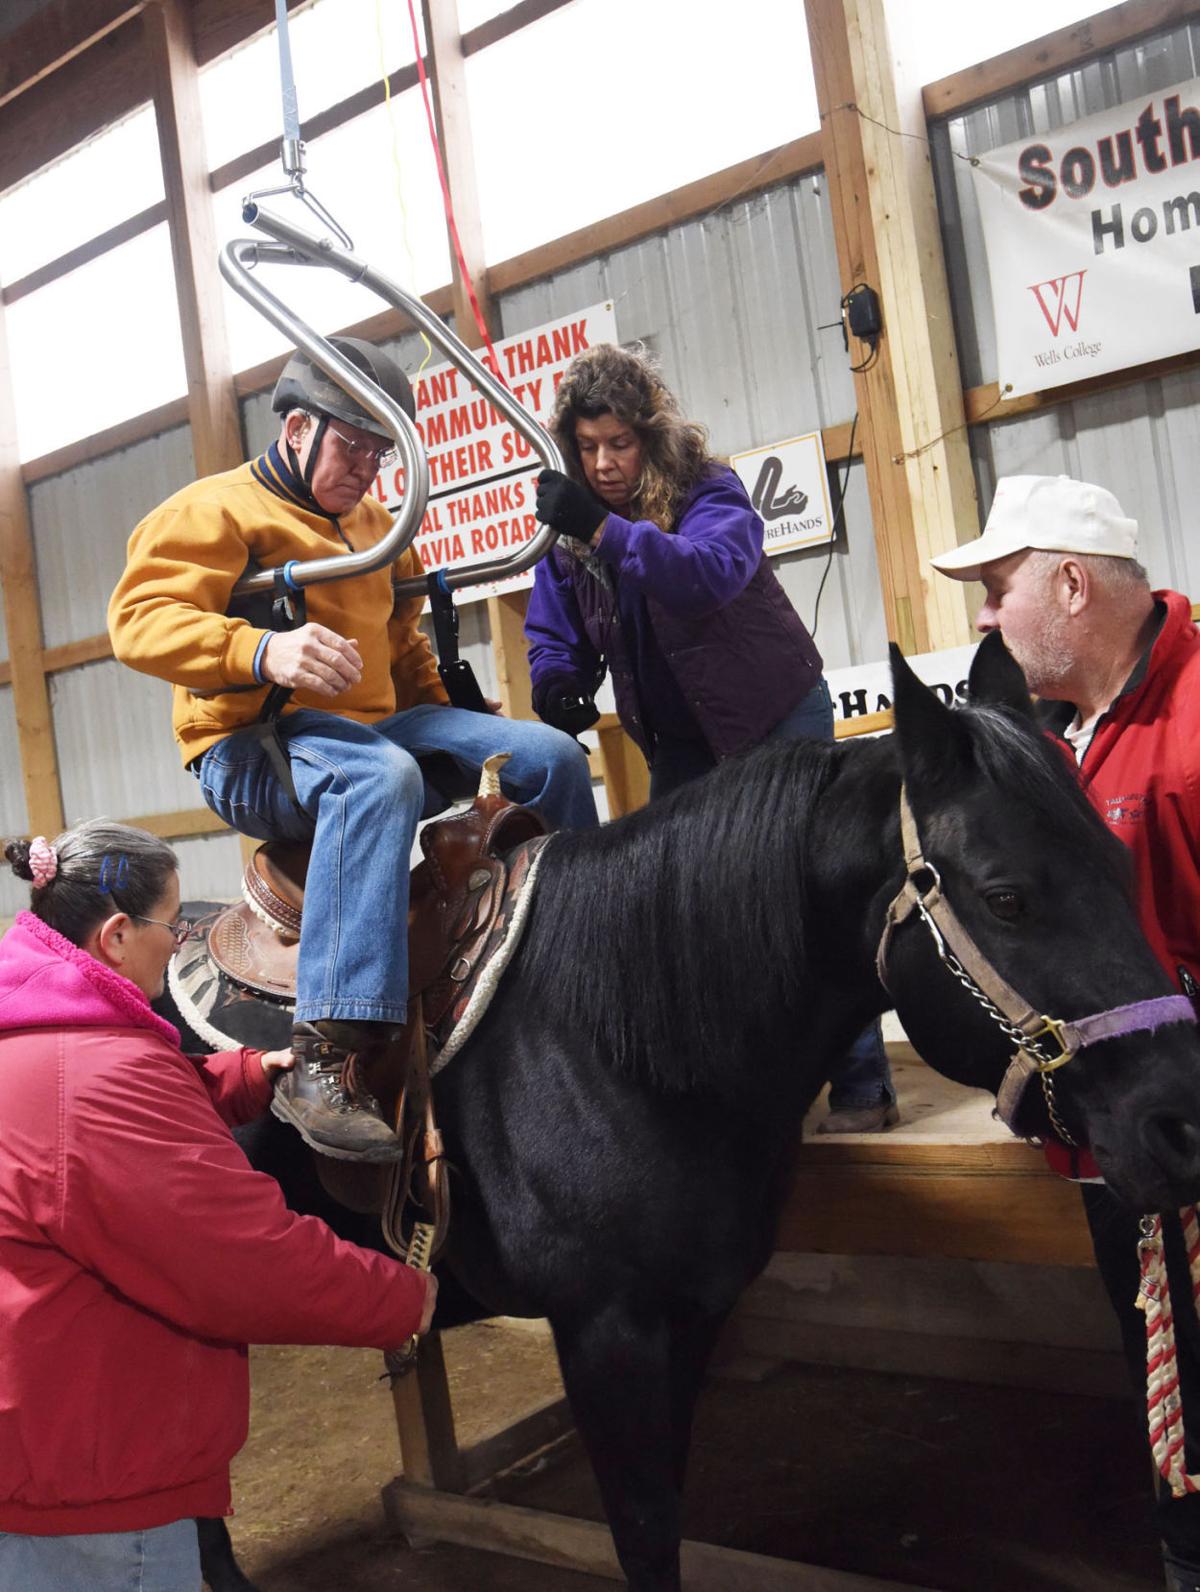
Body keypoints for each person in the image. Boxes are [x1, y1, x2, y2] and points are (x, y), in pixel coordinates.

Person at [108, 336, 597, 1162]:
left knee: (547, 755)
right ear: (297, 429)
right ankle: (324, 1054)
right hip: (250, 742)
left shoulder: (381, 527)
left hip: (368, 732)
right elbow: (138, 622)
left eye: (382, 451)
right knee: (381, 777)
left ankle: (582, 943)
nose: (369, 467)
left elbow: (404, 650)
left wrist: (464, 724)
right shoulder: (213, 512)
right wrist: (261, 651)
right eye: (353, 446)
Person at [0, 821, 436, 1592]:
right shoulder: (97, 1084)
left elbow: (109, 1134)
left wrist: (242, 1076)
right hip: (95, 1478)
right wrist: (400, 1295)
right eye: (176, 925)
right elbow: (243, 1259)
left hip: (40, 1429)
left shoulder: (36, 1038)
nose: (181, 942)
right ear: (117, 935)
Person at [931, 472, 1200, 1592]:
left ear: (1072, 582)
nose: (985, 616)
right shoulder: (1050, 738)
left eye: (999, 588)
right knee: (1169, 1403)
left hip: (1186, 1143)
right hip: (1115, 1150)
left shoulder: (1191, 727)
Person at [524, 343, 896, 1132]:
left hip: (775, 711)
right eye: (587, 448)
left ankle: (863, 1085)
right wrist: (555, 681)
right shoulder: (569, 533)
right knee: (693, 910)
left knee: (811, 893)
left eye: (619, 444)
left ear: (649, 436)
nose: (604, 464)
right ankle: (752, 1101)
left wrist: (604, 529)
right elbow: (553, 626)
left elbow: (706, 576)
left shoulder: (708, 488)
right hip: (682, 742)